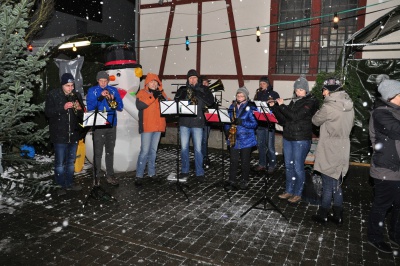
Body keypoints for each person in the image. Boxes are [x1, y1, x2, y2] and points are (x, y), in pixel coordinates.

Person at [310, 78, 354, 225]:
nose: (323, 93)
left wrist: (317, 112)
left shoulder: (328, 107)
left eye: (324, 90)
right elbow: (351, 124)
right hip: (343, 146)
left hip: (330, 147)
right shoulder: (349, 105)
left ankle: (323, 214)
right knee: (337, 182)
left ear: (330, 91)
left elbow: (315, 121)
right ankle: (338, 214)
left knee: (328, 183)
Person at [269, 75, 318, 204]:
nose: (298, 92)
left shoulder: (310, 102)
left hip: (301, 139)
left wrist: (282, 106)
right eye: (296, 90)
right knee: (288, 167)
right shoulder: (294, 102)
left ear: (306, 90)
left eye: (301, 90)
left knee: (297, 167)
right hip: (288, 137)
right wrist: (275, 107)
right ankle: (289, 190)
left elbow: (295, 116)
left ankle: (298, 193)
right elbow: (284, 120)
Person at [367, 75, 400, 254]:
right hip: (386, 169)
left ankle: (396, 235)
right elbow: (397, 130)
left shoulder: (395, 110)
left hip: (397, 168)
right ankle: (374, 237)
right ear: (393, 95)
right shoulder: (381, 113)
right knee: (382, 206)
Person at [45, 73, 84, 196]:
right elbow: (48, 113)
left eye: (72, 85)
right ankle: (59, 185)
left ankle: (69, 183)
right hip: (59, 134)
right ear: (62, 85)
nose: (70, 88)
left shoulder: (76, 95)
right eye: (68, 85)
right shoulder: (53, 95)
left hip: (73, 134)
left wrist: (79, 110)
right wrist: (63, 108)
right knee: (60, 163)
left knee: (71, 161)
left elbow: (81, 116)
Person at [175, 69, 214, 182]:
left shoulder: (204, 89)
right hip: (184, 123)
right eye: (190, 78)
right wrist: (182, 97)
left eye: (194, 78)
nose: (192, 80)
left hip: (197, 122)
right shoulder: (183, 89)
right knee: (184, 148)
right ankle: (184, 171)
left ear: (198, 79)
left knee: (198, 149)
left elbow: (210, 101)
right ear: (187, 80)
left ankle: (199, 172)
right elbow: (176, 101)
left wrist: (197, 92)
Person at [86, 71, 124, 186]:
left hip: (111, 125)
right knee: (98, 152)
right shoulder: (92, 90)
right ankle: (96, 177)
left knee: (110, 152)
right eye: (101, 81)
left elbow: (120, 107)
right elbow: (90, 107)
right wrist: (100, 97)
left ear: (108, 81)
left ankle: (110, 175)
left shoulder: (113, 90)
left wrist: (112, 100)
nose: (103, 83)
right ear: (98, 81)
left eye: (105, 81)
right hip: (98, 125)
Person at [135, 73, 169, 186]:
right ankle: (139, 175)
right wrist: (153, 96)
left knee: (153, 151)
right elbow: (140, 106)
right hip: (147, 126)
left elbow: (169, 105)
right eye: (151, 82)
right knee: (144, 151)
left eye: (155, 82)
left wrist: (166, 98)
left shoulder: (162, 93)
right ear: (147, 83)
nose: (154, 84)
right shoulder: (142, 93)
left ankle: (151, 173)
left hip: (158, 126)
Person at [225, 87, 258, 190]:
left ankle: (244, 180)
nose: (239, 97)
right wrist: (227, 131)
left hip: (246, 138)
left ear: (246, 96)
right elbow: (227, 120)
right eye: (238, 95)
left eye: (241, 96)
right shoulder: (232, 106)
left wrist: (242, 122)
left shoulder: (251, 107)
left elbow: (254, 124)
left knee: (245, 161)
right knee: (233, 160)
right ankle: (232, 180)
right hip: (234, 137)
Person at [254, 76, 280, 173]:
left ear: (268, 84)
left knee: (270, 146)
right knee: (261, 146)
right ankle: (262, 164)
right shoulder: (258, 94)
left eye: (263, 83)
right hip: (260, 124)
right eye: (260, 84)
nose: (261, 85)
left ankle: (272, 164)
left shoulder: (274, 94)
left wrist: (272, 106)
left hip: (269, 124)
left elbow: (277, 108)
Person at [200, 75, 212, 169]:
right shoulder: (199, 92)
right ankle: (202, 157)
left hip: (207, 120)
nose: (205, 84)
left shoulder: (210, 93)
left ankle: (205, 157)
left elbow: (212, 104)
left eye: (206, 83)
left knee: (204, 140)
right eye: (203, 82)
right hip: (200, 120)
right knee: (201, 141)